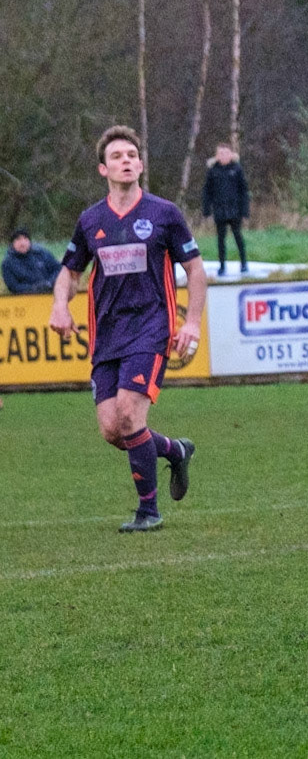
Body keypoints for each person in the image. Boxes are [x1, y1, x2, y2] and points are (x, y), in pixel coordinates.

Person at [48, 126, 202, 532]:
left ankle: (148, 511)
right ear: (103, 168)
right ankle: (174, 450)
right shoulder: (90, 220)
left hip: (151, 328)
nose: (127, 160)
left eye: (132, 154)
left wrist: (193, 323)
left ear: (141, 164)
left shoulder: (164, 214)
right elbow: (69, 272)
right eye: (117, 156)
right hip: (107, 335)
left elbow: (195, 269)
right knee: (113, 431)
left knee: (130, 416)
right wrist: (59, 306)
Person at [202, 141, 250, 276]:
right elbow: (207, 192)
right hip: (220, 211)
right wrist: (206, 210)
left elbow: (244, 191)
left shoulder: (237, 169)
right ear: (217, 156)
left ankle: (244, 263)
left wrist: (245, 211)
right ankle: (222, 266)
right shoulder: (213, 171)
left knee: (238, 237)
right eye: (220, 153)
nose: (223, 156)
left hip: (235, 210)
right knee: (221, 239)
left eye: (226, 153)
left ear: (231, 154)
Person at [4, 229, 61, 294]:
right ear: (12, 244)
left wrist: (49, 283)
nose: (22, 243)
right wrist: (35, 288)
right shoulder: (8, 263)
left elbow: (58, 269)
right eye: (18, 239)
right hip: (27, 297)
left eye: (25, 239)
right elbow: (14, 287)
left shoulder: (41, 253)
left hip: (52, 292)